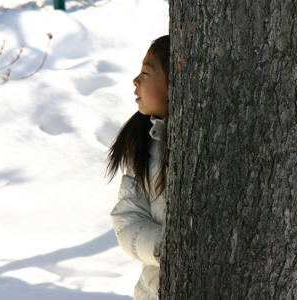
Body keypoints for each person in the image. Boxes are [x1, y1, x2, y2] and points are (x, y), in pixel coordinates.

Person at [106, 35, 170, 300]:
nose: (136, 80)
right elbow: (127, 219)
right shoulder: (144, 144)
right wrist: (164, 245)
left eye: (146, 72)